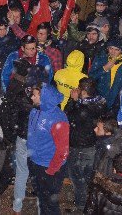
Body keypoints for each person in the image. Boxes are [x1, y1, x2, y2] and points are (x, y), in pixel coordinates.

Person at [0, 59, 34, 215]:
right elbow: (13, 114)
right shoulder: (21, 91)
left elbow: (5, 113)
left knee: (10, 166)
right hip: (14, 134)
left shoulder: (14, 86)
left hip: (10, 132)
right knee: (12, 167)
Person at [64, 77, 107, 211]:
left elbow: (67, 115)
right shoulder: (100, 102)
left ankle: (81, 206)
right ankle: (89, 203)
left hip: (79, 146)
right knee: (88, 177)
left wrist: (73, 100)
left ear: (83, 91)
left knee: (76, 177)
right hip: (92, 145)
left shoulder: (81, 107)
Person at [27, 84, 69, 215]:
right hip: (35, 163)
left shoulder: (58, 119)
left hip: (48, 167)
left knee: (50, 204)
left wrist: (51, 170)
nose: (32, 98)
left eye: (35, 95)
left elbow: (63, 150)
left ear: (43, 98)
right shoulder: (35, 111)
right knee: (42, 199)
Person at [90, 38, 122, 108]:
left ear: (121, 51)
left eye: (116, 49)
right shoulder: (101, 58)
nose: (113, 52)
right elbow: (91, 77)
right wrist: (105, 68)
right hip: (99, 100)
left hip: (117, 103)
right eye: (111, 48)